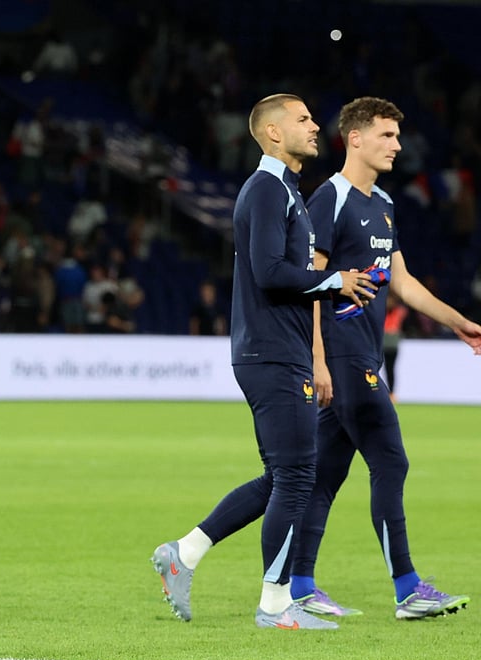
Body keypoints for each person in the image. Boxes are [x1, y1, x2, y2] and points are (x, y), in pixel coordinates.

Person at [151, 93, 376, 629]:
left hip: (279, 350)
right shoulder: (267, 190)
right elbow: (270, 272)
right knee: (298, 476)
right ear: (273, 132)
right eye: (303, 120)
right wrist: (334, 280)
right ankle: (275, 606)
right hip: (271, 352)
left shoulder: (287, 192)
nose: (316, 126)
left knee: (284, 475)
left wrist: (328, 295)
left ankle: (183, 553)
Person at [290, 96, 480, 619]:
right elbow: (312, 285)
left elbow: (402, 282)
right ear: (355, 138)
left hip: (363, 353)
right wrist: (319, 360)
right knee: (391, 460)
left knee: (326, 474)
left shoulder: (384, 204)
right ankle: (407, 588)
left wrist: (457, 321)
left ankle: (299, 585)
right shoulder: (330, 198)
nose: (397, 145)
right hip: (345, 355)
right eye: (387, 136)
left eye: (398, 136)